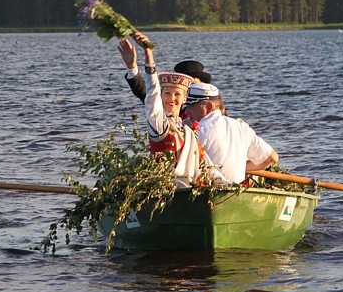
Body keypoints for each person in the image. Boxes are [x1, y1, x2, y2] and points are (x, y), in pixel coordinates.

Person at [117, 33, 213, 186]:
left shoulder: (189, 126)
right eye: (167, 93)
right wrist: (148, 56)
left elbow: (204, 161)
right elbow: (151, 93)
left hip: (195, 185)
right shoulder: (159, 122)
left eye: (177, 94)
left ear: (184, 98)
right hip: (169, 188)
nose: (172, 98)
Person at [183, 82, 278, 184]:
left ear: (208, 107)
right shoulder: (241, 127)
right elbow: (271, 158)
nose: (186, 112)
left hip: (209, 194)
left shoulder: (196, 131)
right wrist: (239, 167)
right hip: (238, 191)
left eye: (191, 107)